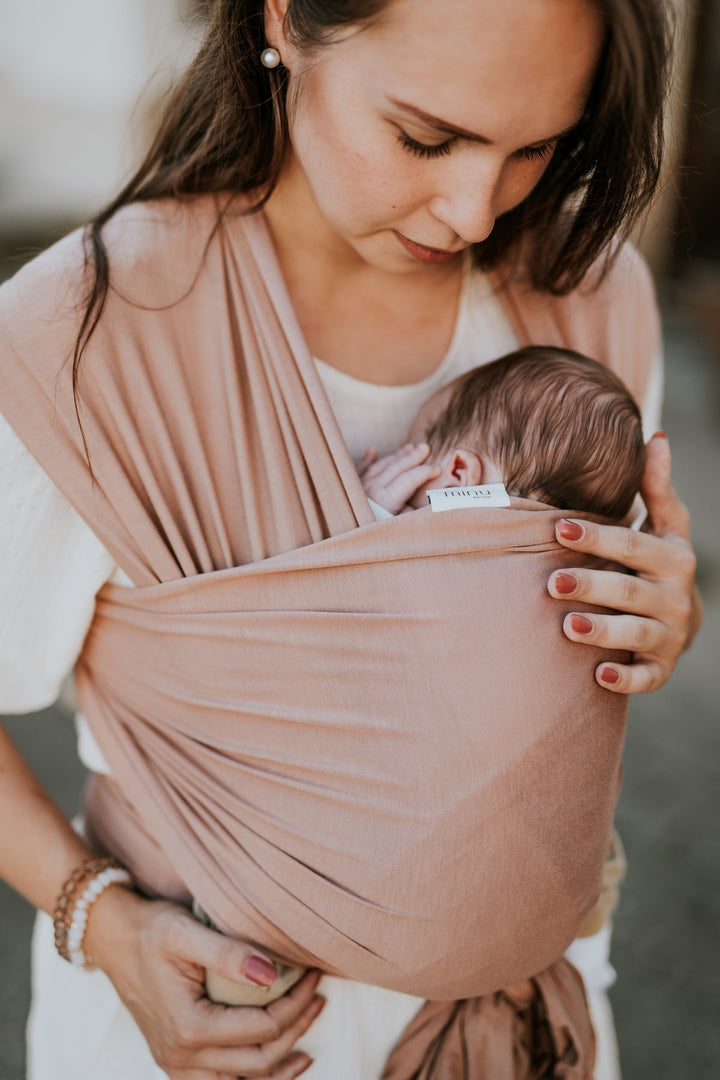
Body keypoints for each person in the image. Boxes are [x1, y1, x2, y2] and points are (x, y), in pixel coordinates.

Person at [0, 2, 702, 1080]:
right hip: (206, 1035)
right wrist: (102, 923)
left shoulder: (590, 301)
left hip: (534, 1031)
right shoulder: (89, 337)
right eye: (427, 137)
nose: (474, 209)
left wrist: (648, 621)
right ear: (284, 18)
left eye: (535, 147)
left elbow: (535, 699)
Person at [357, 345, 647, 519]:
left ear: (458, 474)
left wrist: (370, 510)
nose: (394, 461)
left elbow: (372, 574)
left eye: (413, 449)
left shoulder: (424, 537)